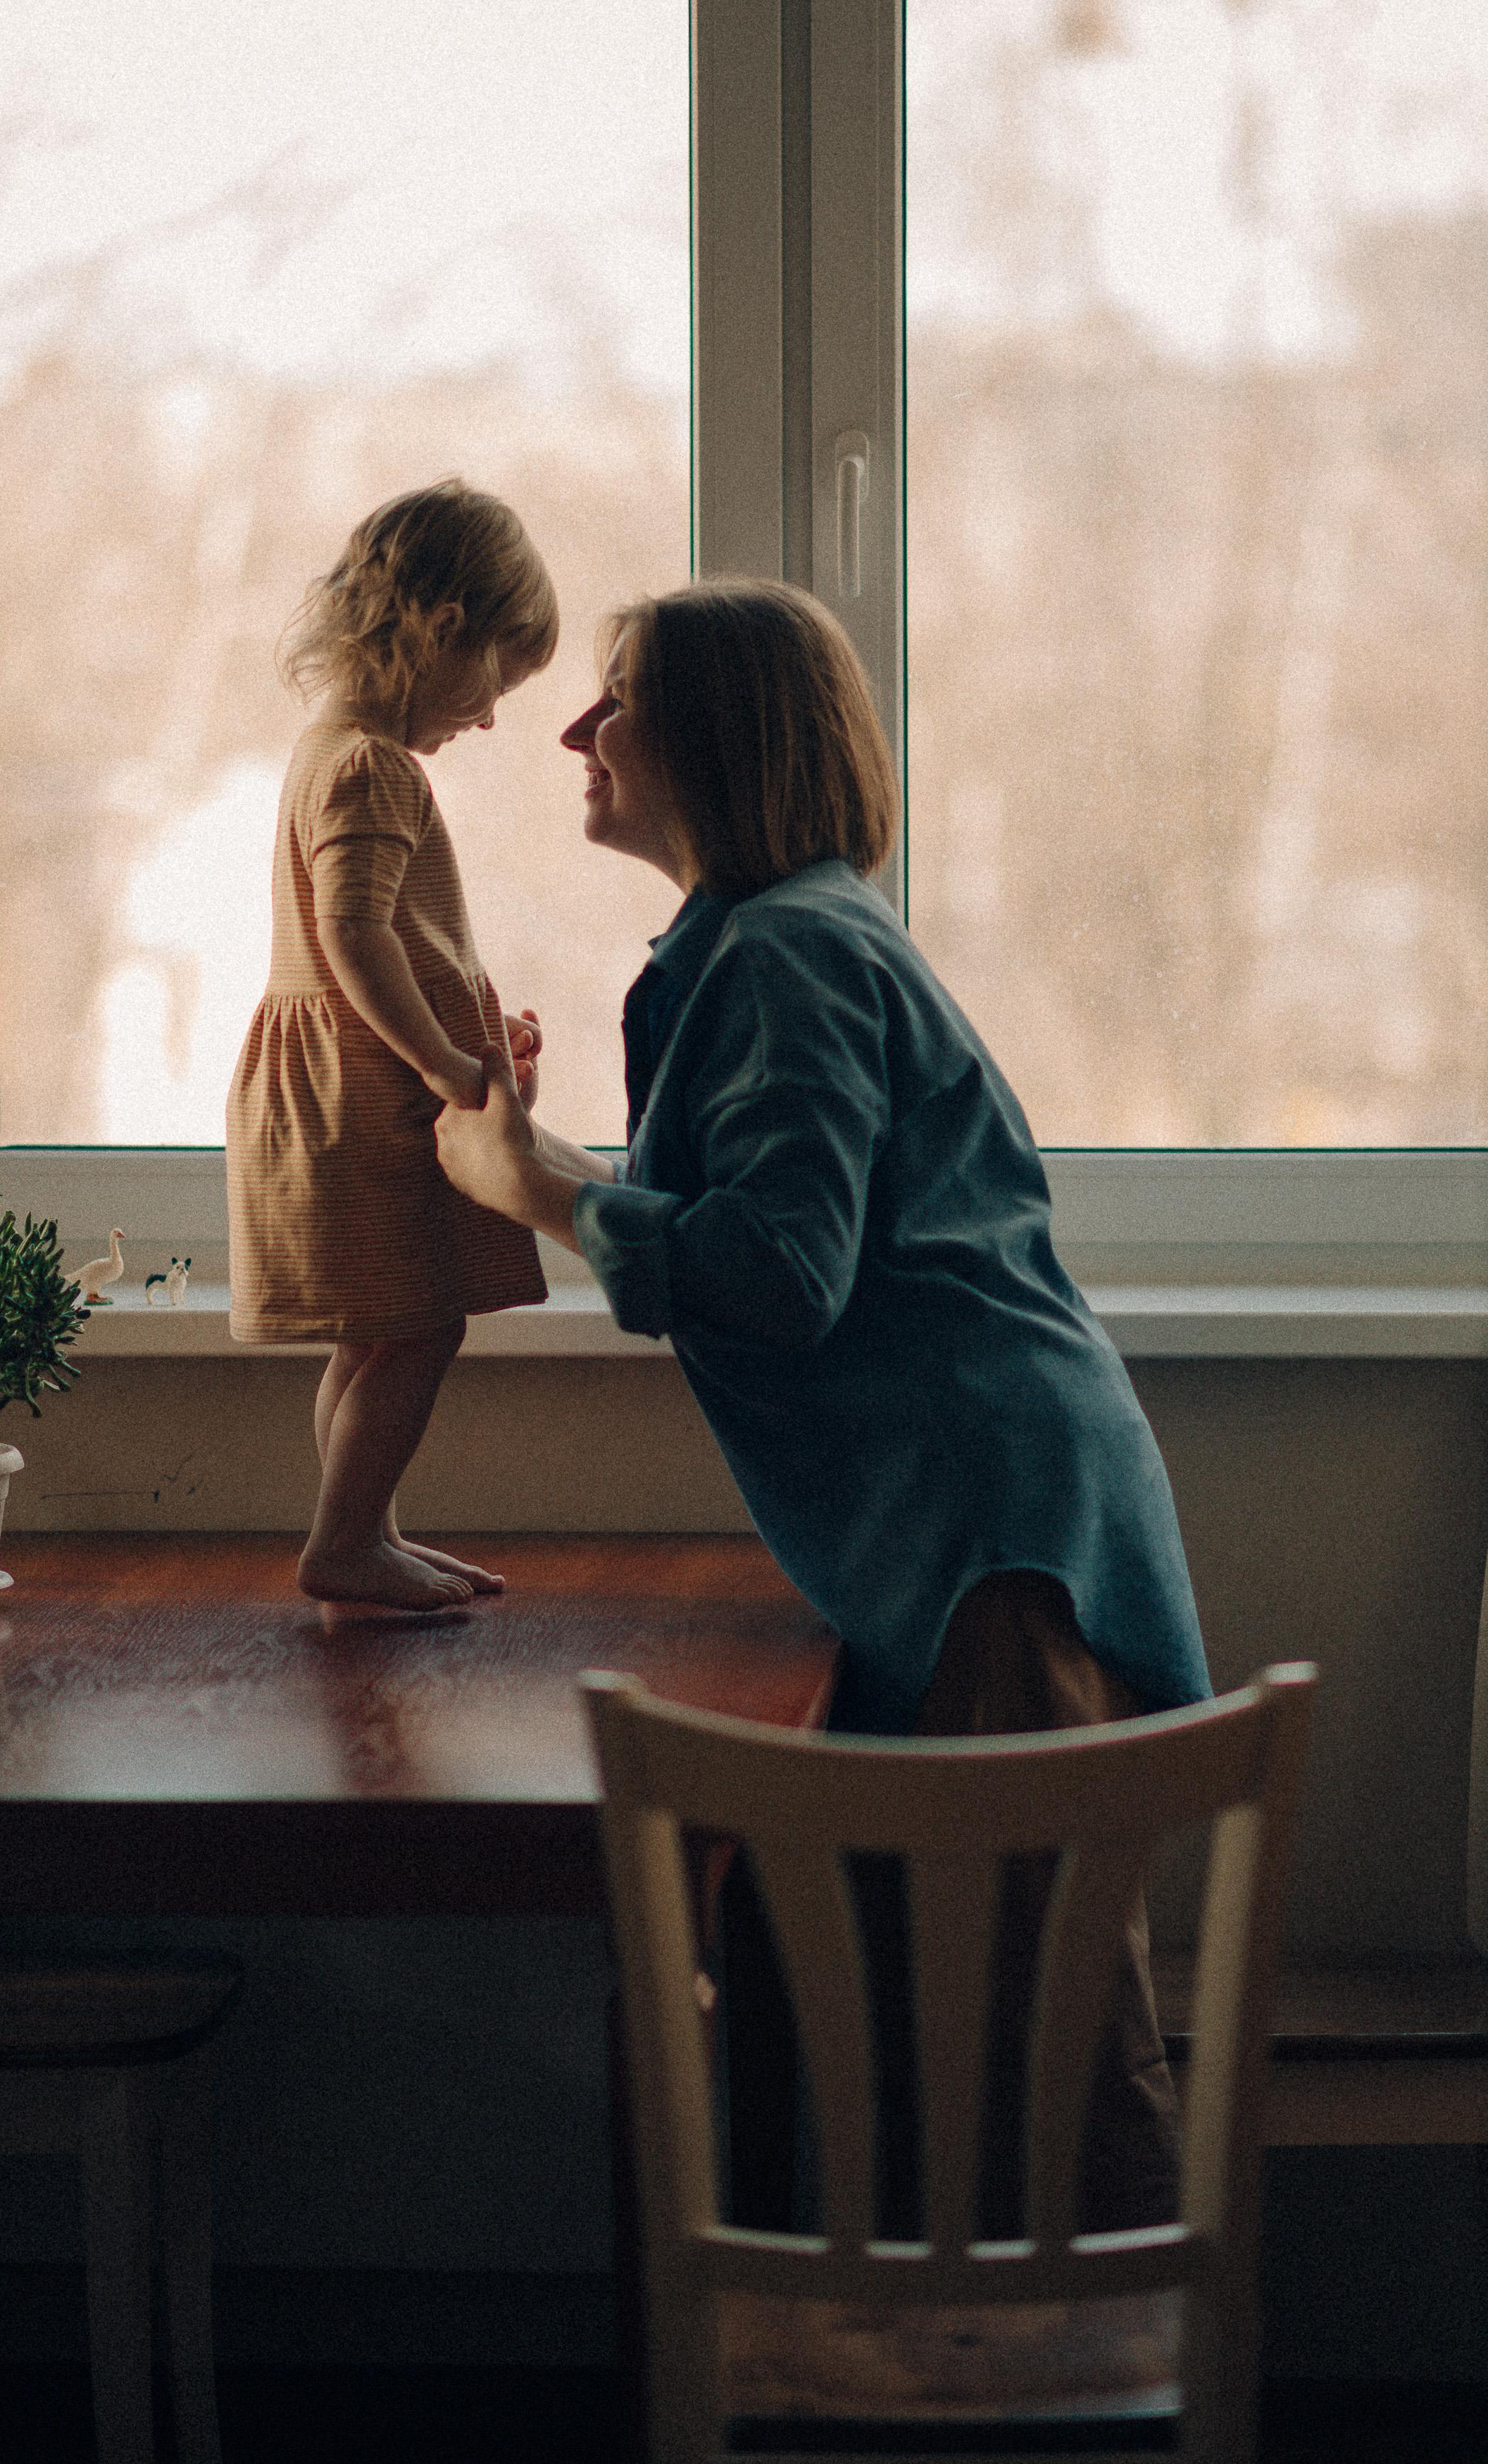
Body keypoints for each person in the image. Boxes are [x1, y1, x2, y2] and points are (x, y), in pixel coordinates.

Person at [433, 576, 1213, 2230]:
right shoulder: (768, 943)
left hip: (995, 1551)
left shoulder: (787, 949)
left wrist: (547, 1190)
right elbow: (783, 1226)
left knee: (1047, 2041)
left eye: (620, 694)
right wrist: (562, 1168)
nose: (578, 727)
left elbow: (786, 1268)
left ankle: (1125, 2391)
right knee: (954, 2012)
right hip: (982, 1528)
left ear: (717, 736)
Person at [226, 479, 554, 1611]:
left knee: (374, 1336)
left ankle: (363, 1531)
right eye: (497, 680)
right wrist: (447, 1066)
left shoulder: (325, 750)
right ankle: (347, 1541)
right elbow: (354, 935)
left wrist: (469, 1021)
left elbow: (371, 941)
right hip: (361, 1099)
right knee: (421, 1330)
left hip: (322, 1090)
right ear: (441, 630)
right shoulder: (372, 765)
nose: (494, 714)